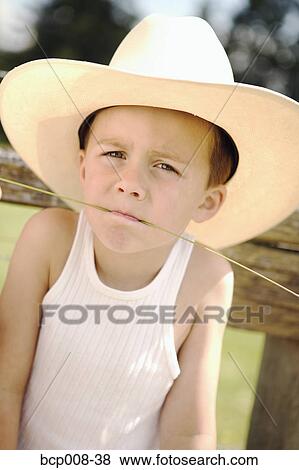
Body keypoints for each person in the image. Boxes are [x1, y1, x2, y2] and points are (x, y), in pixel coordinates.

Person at [0, 14, 298, 451]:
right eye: (114, 152)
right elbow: (5, 382)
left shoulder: (206, 279)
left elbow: (189, 432)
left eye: (165, 166)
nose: (130, 181)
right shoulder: (50, 241)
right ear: (83, 167)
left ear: (206, 202)